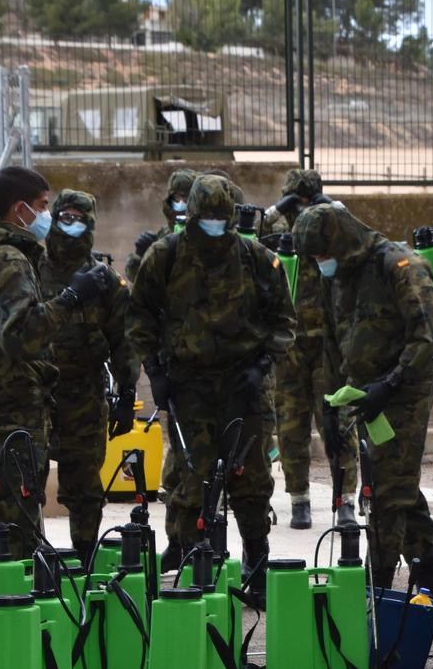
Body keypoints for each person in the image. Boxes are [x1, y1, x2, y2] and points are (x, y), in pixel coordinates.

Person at [0, 167, 110, 661]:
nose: (48, 216)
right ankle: (9, 634)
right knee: (18, 520)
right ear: (21, 209)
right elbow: (24, 335)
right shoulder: (7, 257)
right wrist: (75, 297)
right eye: (45, 205)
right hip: (9, 409)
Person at [126, 174, 295, 606]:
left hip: (243, 385)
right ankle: (196, 565)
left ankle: (257, 570)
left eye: (224, 218)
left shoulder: (257, 258)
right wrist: (155, 372)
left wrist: (262, 365)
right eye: (209, 218)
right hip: (189, 386)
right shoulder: (165, 256)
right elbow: (139, 316)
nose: (217, 225)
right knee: (193, 480)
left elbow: (284, 321)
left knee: (252, 482)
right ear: (193, 216)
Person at [292, 198, 433, 593]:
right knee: (394, 481)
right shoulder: (336, 276)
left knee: (387, 492)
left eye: (324, 253)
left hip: (404, 393)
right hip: (364, 396)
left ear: (342, 240)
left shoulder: (400, 266)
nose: (321, 261)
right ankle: (426, 566)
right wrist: (328, 403)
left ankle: (375, 590)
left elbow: (428, 336)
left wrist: (390, 384)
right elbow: (330, 341)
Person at [37, 189, 138, 562]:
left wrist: (126, 393)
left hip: (84, 396)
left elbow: (124, 340)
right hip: (37, 393)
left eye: (80, 218)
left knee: (84, 486)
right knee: (28, 480)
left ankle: (84, 556)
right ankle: (29, 556)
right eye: (66, 216)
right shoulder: (31, 268)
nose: (72, 224)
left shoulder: (104, 280)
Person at [267, 169, 359, 529]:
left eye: (308, 202)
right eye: (297, 202)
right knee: (291, 427)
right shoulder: (276, 234)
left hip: (327, 345)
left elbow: (358, 236)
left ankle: (346, 499)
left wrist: (330, 208)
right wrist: (279, 209)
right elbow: (247, 235)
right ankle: (299, 499)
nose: (302, 210)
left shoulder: (332, 227)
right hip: (289, 347)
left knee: (338, 423)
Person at [126, 168, 195, 283]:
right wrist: (140, 255)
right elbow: (137, 279)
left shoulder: (204, 235)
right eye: (177, 198)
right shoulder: (163, 236)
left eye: (186, 198)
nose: (181, 203)